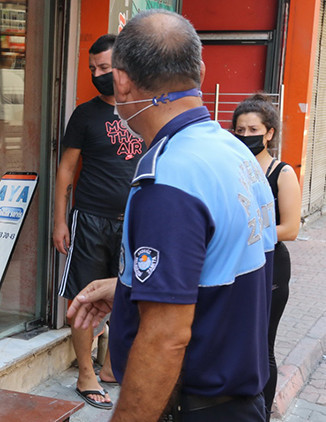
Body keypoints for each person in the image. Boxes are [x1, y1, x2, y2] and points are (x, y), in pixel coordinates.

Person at [68, 9, 276, 421]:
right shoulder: (232, 150)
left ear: (121, 81)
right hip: (238, 402)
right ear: (200, 71)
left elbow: (165, 338)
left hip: (193, 407)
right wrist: (128, 288)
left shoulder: (168, 177)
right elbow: (215, 265)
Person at [52, 33, 144, 410]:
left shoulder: (142, 111)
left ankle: (110, 367)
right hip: (90, 219)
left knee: (127, 295)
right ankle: (85, 374)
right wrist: (60, 221)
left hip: (135, 222)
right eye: (92, 68)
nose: (97, 75)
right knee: (84, 297)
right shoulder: (85, 115)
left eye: (104, 67)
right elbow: (66, 170)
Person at [232, 94, 301, 420]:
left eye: (253, 130)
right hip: (234, 264)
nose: (246, 136)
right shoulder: (232, 168)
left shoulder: (282, 172)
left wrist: (245, 232)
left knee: (263, 345)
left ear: (269, 133)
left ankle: (262, 413)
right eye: (240, 130)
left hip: (270, 267)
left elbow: (290, 228)